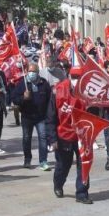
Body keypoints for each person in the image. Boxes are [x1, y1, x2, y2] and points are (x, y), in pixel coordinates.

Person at [47, 65, 91, 203]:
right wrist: (52, 139)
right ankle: (58, 184)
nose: (76, 81)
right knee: (63, 165)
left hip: (82, 135)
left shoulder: (88, 92)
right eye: (74, 77)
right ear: (69, 76)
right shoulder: (57, 91)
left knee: (83, 164)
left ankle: (82, 193)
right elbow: (50, 117)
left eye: (79, 77)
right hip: (63, 135)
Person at [11, 62, 52, 170]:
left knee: (43, 138)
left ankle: (43, 161)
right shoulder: (22, 83)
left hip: (41, 117)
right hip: (27, 116)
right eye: (30, 71)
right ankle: (27, 159)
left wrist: (49, 115)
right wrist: (23, 98)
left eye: (34, 71)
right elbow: (14, 98)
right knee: (26, 138)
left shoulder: (44, 83)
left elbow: (49, 100)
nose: (31, 73)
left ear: (38, 72)